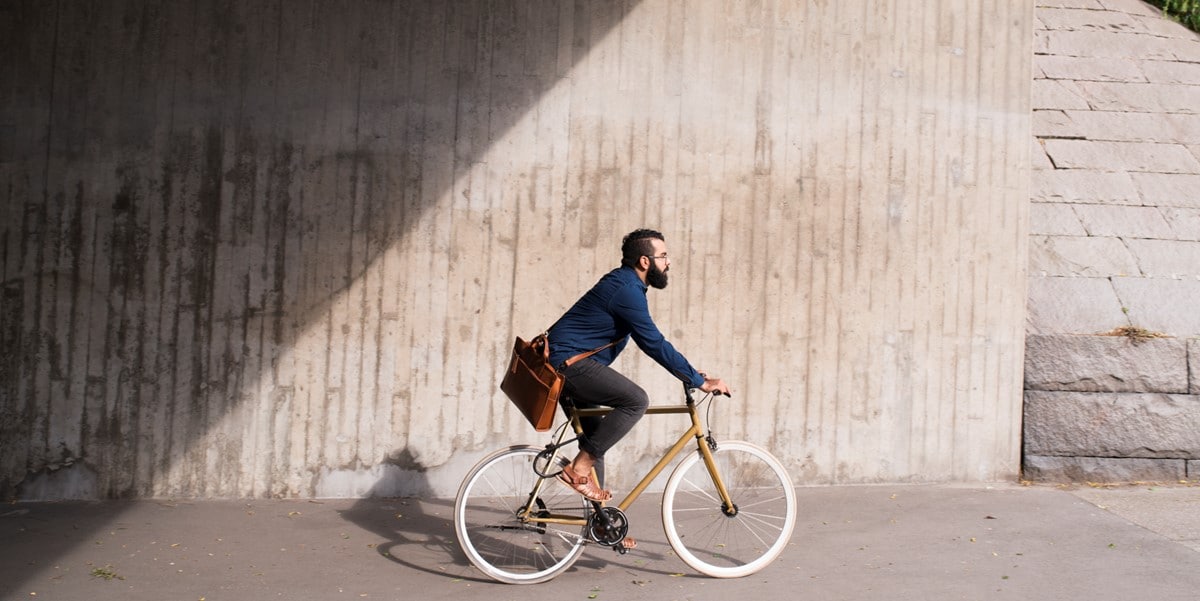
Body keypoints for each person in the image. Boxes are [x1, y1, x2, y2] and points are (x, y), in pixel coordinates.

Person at [547, 229, 731, 522]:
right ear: (645, 262)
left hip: (568, 364)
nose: (669, 263)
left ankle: (602, 524)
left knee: (597, 441)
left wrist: (688, 372)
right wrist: (700, 382)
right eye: (664, 256)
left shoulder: (626, 286)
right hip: (568, 365)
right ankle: (577, 470)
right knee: (635, 400)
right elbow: (653, 342)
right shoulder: (626, 291)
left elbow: (653, 342)